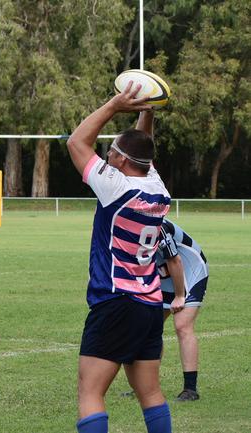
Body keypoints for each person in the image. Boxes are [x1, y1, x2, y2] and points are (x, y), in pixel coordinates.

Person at [66, 82, 173, 433]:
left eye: (111, 152)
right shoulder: (157, 187)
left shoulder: (116, 188)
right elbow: (143, 148)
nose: (107, 156)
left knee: (90, 392)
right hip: (149, 304)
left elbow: (76, 142)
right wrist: (147, 110)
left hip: (115, 301)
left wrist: (114, 104)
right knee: (151, 392)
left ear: (123, 161)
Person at [156, 218, 208, 401]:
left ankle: (190, 389)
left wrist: (179, 296)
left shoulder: (158, 225)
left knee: (182, 325)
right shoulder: (124, 224)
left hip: (189, 271)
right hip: (163, 275)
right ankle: (146, 383)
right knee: (149, 327)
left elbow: (174, 260)